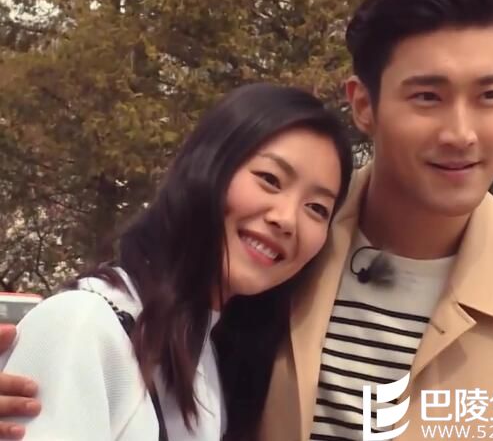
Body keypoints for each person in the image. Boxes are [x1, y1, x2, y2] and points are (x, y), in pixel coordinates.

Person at [2, 0, 493, 441]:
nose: (462, 133)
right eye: (427, 97)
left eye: (489, 96)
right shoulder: (271, 256)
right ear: (363, 104)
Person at [0, 82, 353, 440]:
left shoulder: (213, 364)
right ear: (207, 166)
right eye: (270, 179)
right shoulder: (85, 325)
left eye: (316, 208)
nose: (287, 219)